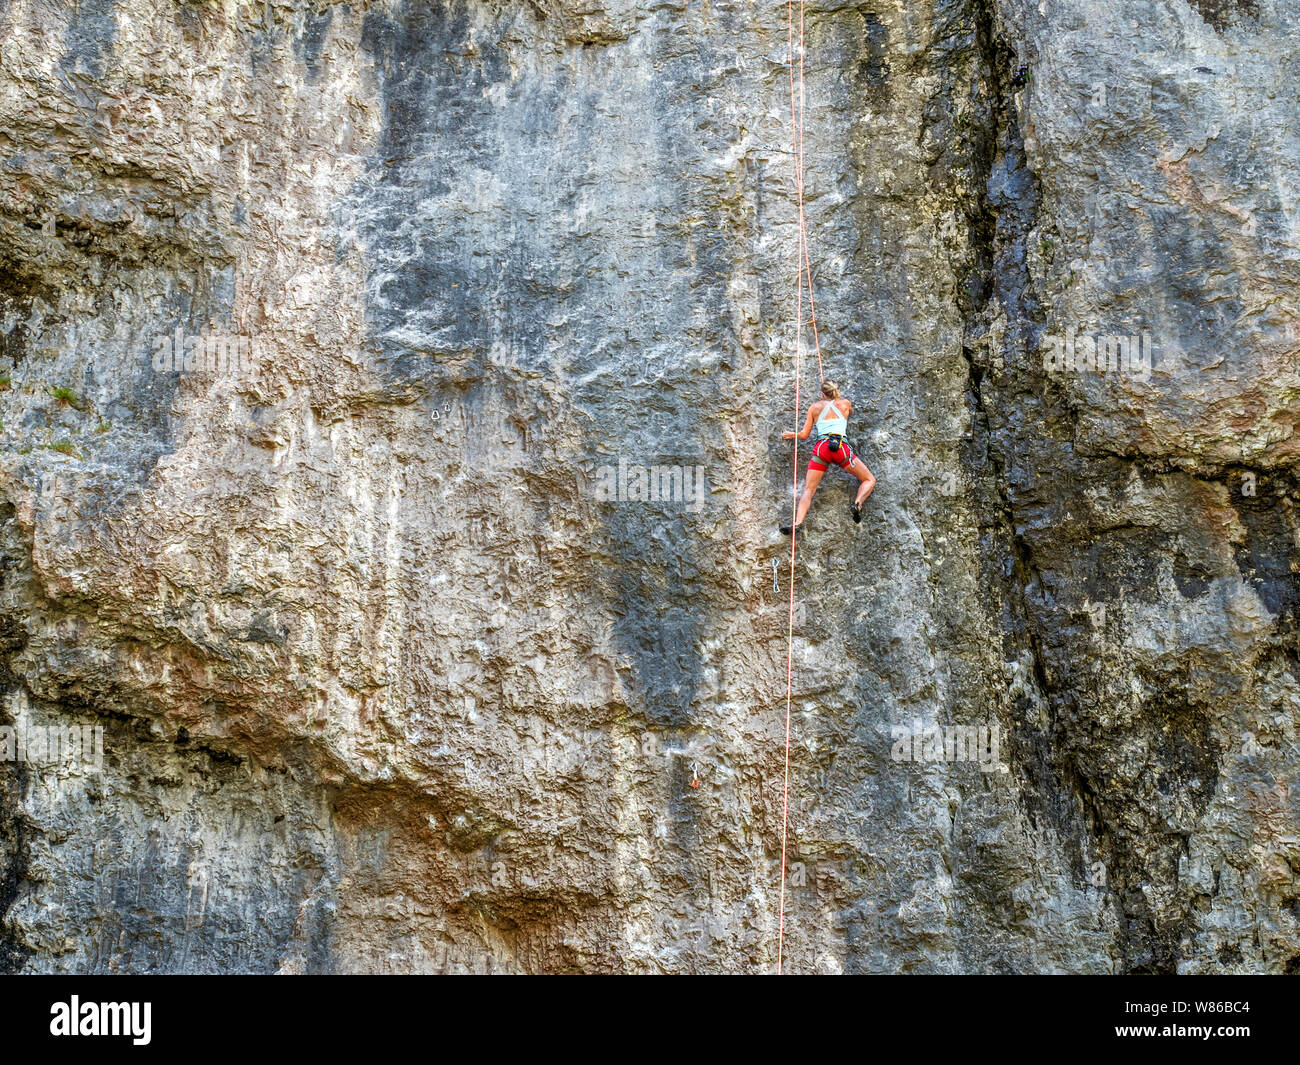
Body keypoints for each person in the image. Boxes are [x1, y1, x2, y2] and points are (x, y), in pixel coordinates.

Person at [780, 380, 876, 535]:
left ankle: (797, 523)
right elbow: (849, 413)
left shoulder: (815, 408)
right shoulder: (845, 404)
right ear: (836, 391)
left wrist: (791, 434)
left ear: (822, 393)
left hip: (822, 448)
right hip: (840, 448)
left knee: (809, 490)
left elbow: (804, 435)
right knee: (869, 480)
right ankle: (857, 503)